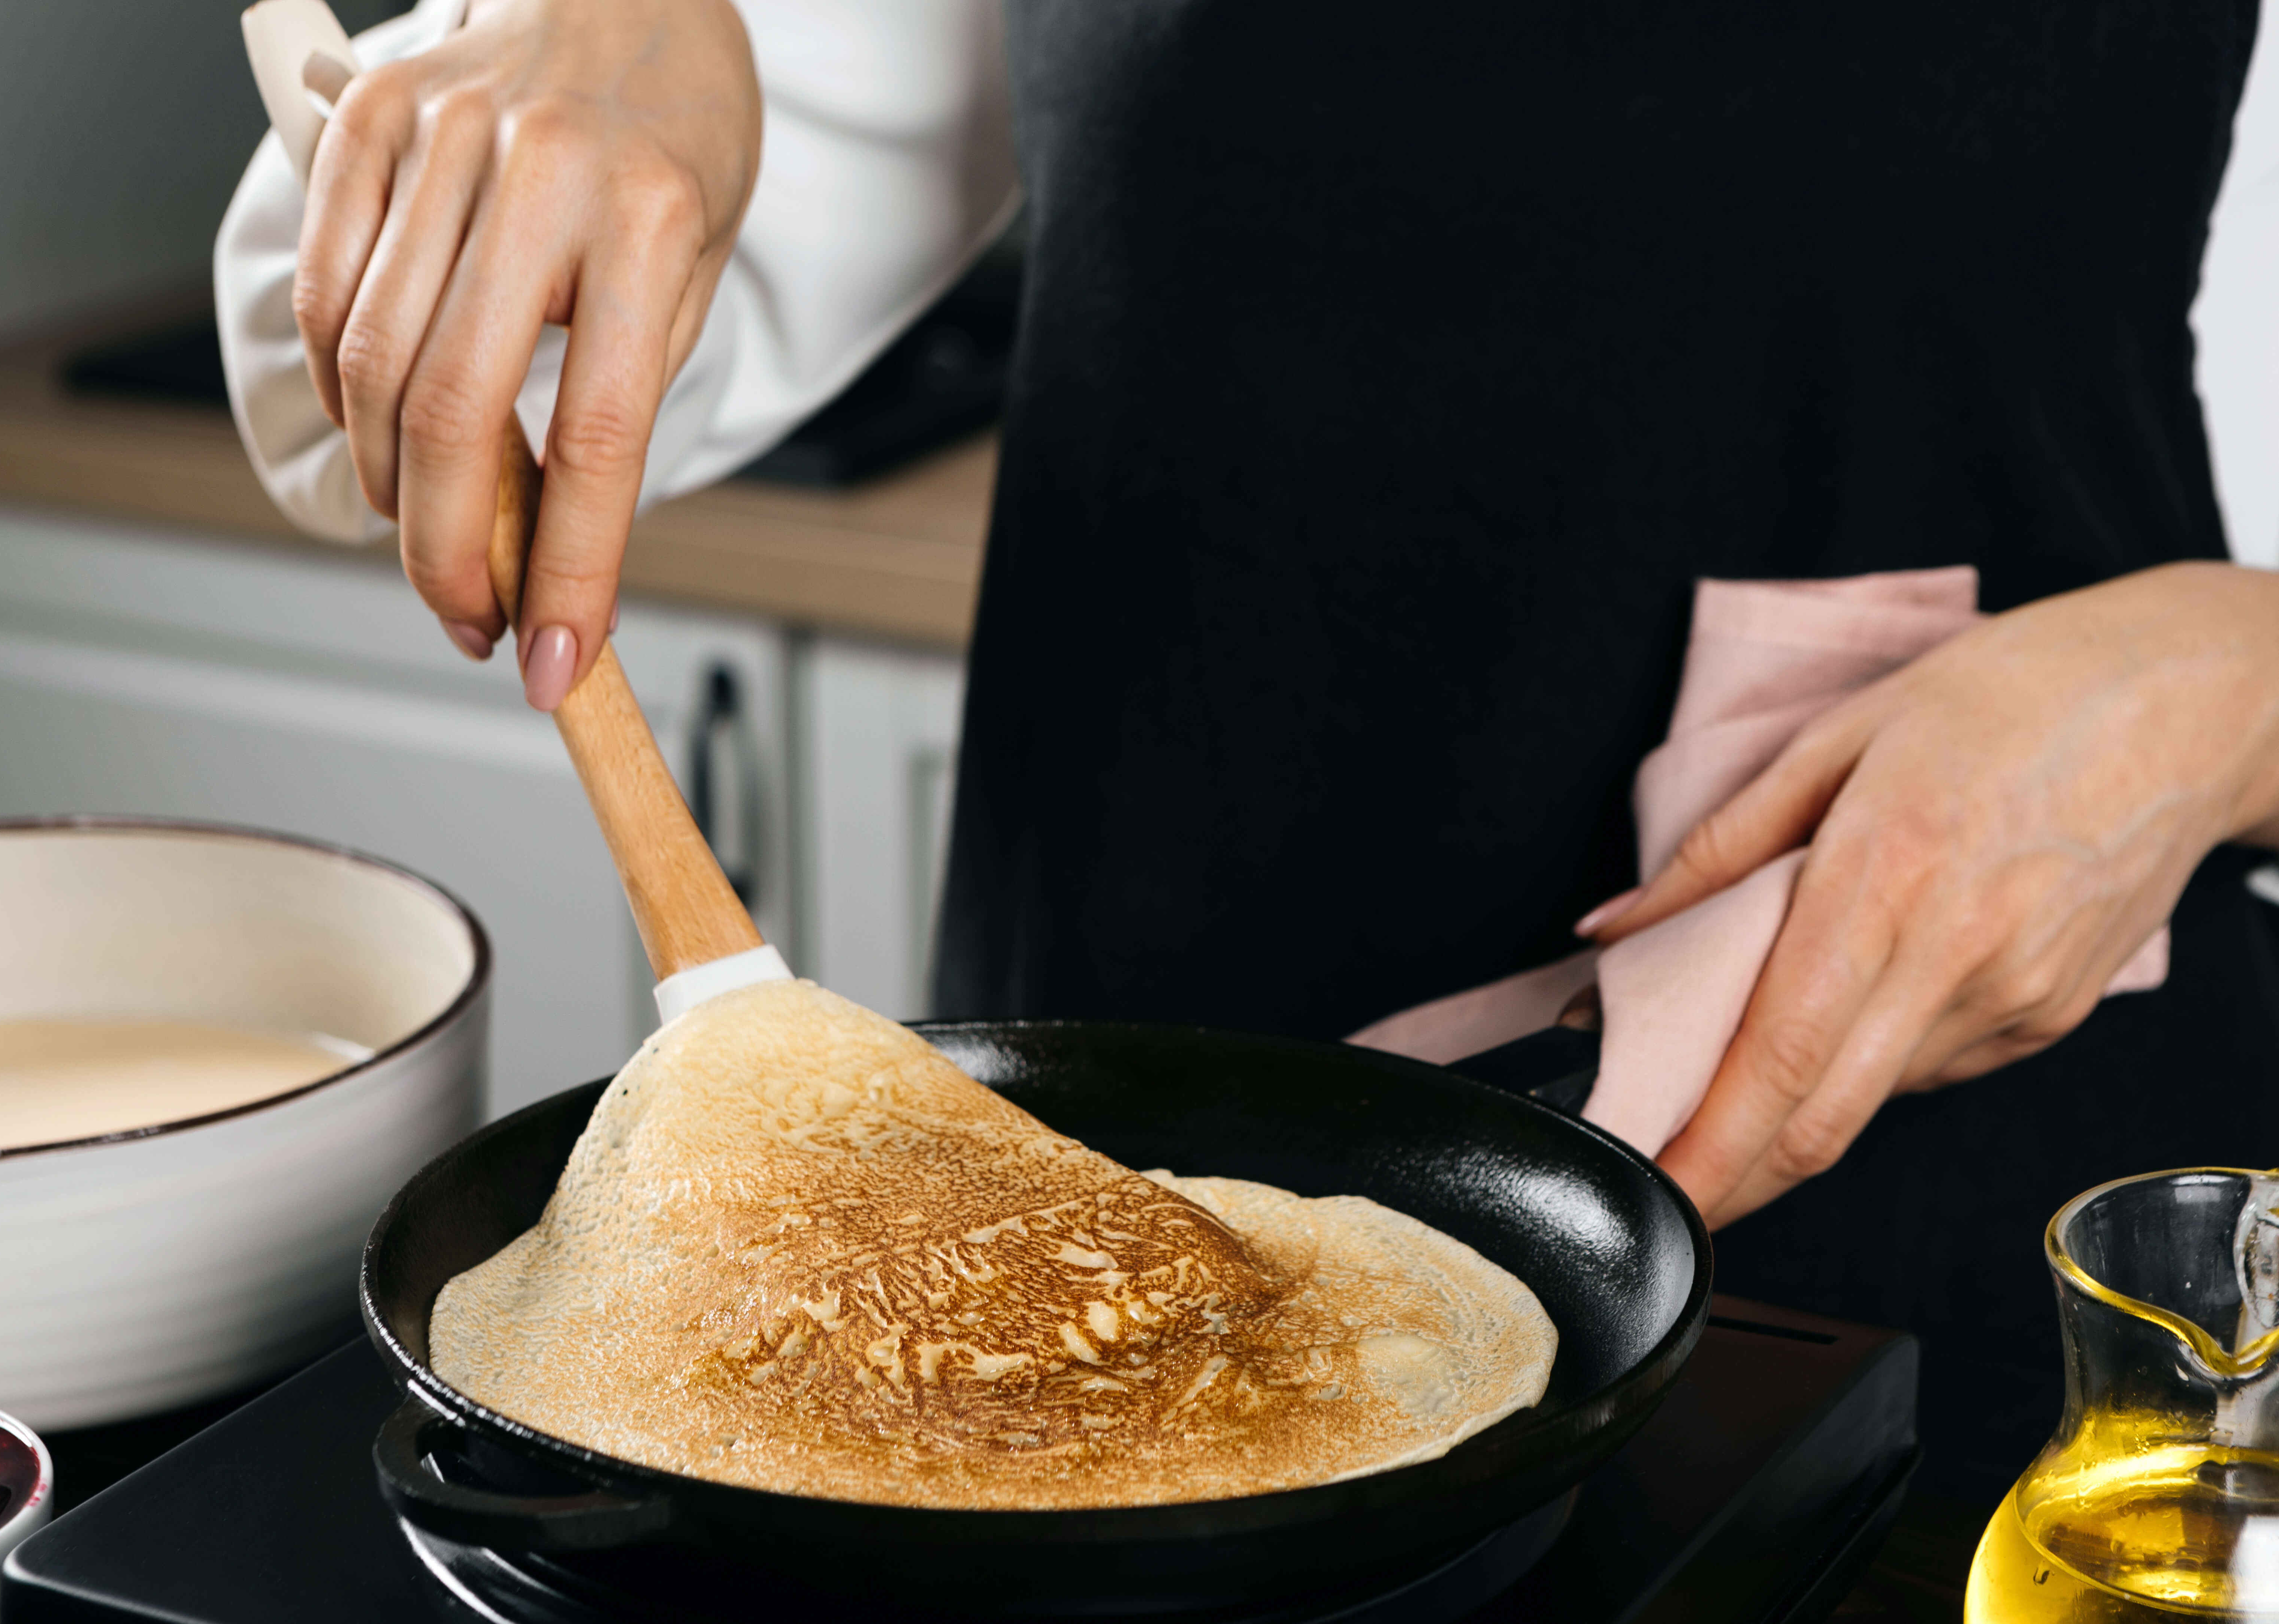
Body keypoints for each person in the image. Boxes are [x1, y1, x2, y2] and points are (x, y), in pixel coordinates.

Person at [217, 0, 2279, 1501]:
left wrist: (2235, 686)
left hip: (2016, 1164)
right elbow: (476, 352)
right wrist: (614, 35)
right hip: (1064, 1200)